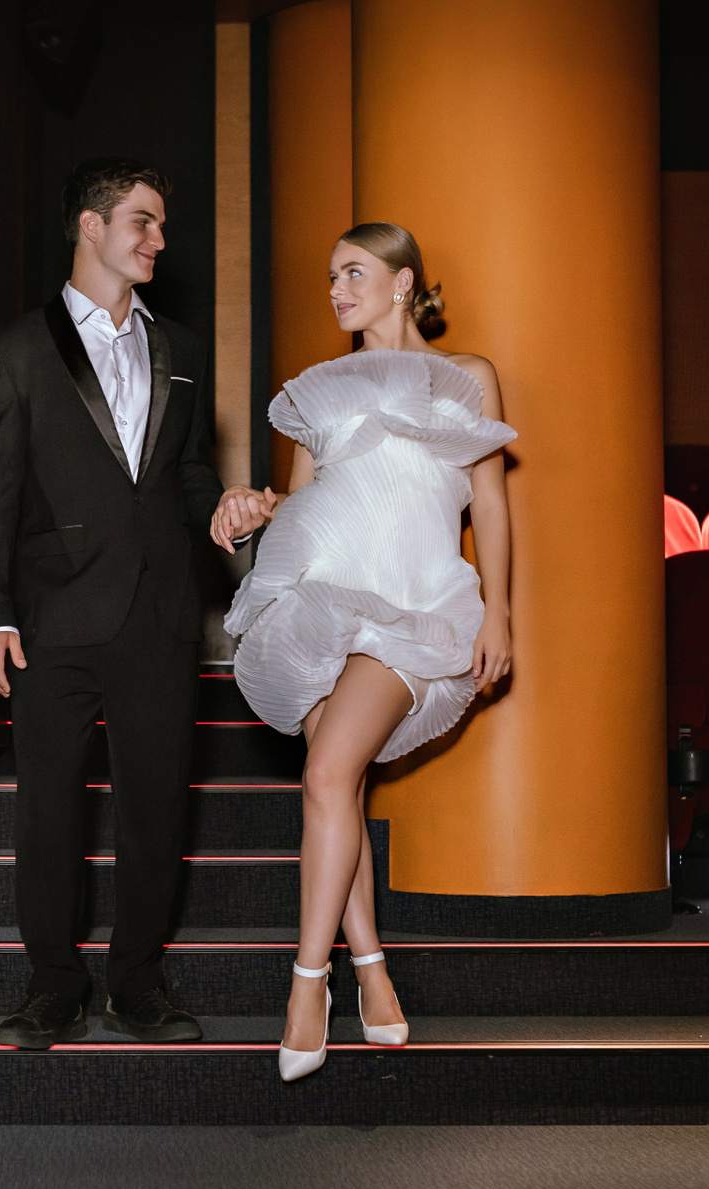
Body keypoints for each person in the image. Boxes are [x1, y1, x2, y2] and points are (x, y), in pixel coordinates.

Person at [214, 223, 515, 1081]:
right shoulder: (320, 389)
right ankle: (373, 972)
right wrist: (250, 507)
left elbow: (490, 503)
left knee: (325, 773)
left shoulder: (468, 375)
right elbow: (299, 505)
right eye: (331, 276)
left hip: (415, 609)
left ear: (402, 281)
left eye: (353, 272)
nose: (336, 290)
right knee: (336, 784)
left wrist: (499, 613)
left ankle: (307, 985)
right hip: (321, 603)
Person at [0, 157, 256, 1048]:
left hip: (160, 614)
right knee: (48, 811)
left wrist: (223, 508)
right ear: (91, 227)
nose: (159, 240)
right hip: (49, 620)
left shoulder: (185, 351)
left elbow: (188, 474)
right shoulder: (17, 350)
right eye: (143, 221)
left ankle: (138, 985)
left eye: (160, 224)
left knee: (156, 808)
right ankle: (52, 986)